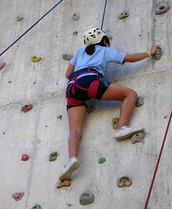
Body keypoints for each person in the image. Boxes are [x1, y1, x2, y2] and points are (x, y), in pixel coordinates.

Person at [59, 27, 160, 181]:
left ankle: (71, 159)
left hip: (72, 87)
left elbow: (67, 74)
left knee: (75, 130)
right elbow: (130, 58)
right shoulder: (105, 50)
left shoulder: (80, 52)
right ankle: (121, 128)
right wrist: (150, 53)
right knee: (130, 94)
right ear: (104, 41)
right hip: (88, 81)